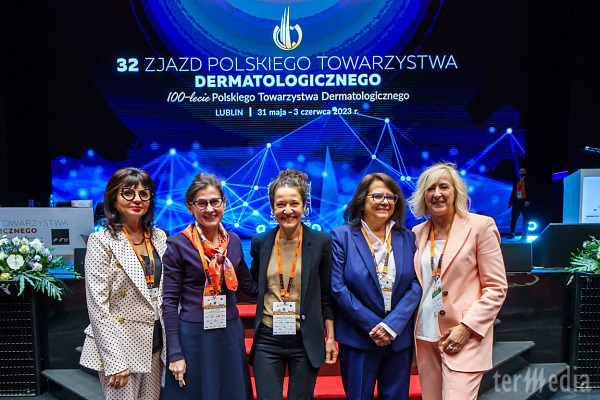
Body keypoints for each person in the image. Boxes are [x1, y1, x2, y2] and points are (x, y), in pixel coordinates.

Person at [407, 162, 508, 400]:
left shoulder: (480, 226)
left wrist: (467, 327)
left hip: (463, 336)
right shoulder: (417, 233)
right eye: (430, 188)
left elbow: (496, 288)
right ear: (423, 196)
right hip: (426, 335)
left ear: (456, 192)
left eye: (444, 187)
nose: (437, 194)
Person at [161, 173, 258, 399]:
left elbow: (249, 288)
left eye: (215, 202)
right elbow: (169, 303)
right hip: (194, 335)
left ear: (224, 202)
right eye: (202, 203)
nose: (210, 209)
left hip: (229, 332)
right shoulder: (178, 245)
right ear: (190, 207)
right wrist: (175, 353)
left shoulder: (233, 241)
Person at [330, 173, 422, 400]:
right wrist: (376, 326)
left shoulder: (407, 237)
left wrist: (392, 326)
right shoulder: (342, 236)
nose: (385, 202)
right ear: (361, 202)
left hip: (397, 338)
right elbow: (338, 288)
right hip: (359, 338)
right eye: (377, 196)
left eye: (390, 197)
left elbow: (415, 284)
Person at [80, 167, 167, 400]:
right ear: (113, 198)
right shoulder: (101, 240)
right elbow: (98, 306)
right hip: (120, 345)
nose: (137, 199)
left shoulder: (159, 237)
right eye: (128, 193)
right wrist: (115, 361)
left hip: (154, 342)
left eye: (144, 194)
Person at [249, 169, 337, 400]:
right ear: (272, 208)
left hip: (305, 339)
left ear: (304, 206)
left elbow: (326, 295)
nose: (287, 210)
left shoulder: (321, 242)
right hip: (268, 337)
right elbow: (255, 284)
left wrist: (330, 338)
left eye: (294, 203)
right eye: (280, 204)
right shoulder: (261, 242)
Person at [507, 166, 530, 240]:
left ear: (525, 172)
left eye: (523, 171)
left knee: (525, 218)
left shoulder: (528, 181)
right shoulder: (516, 181)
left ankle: (525, 233)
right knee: (513, 218)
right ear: (519, 172)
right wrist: (510, 202)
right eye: (520, 171)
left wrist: (528, 200)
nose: (522, 172)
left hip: (524, 202)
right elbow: (513, 192)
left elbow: (531, 191)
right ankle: (512, 233)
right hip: (516, 202)